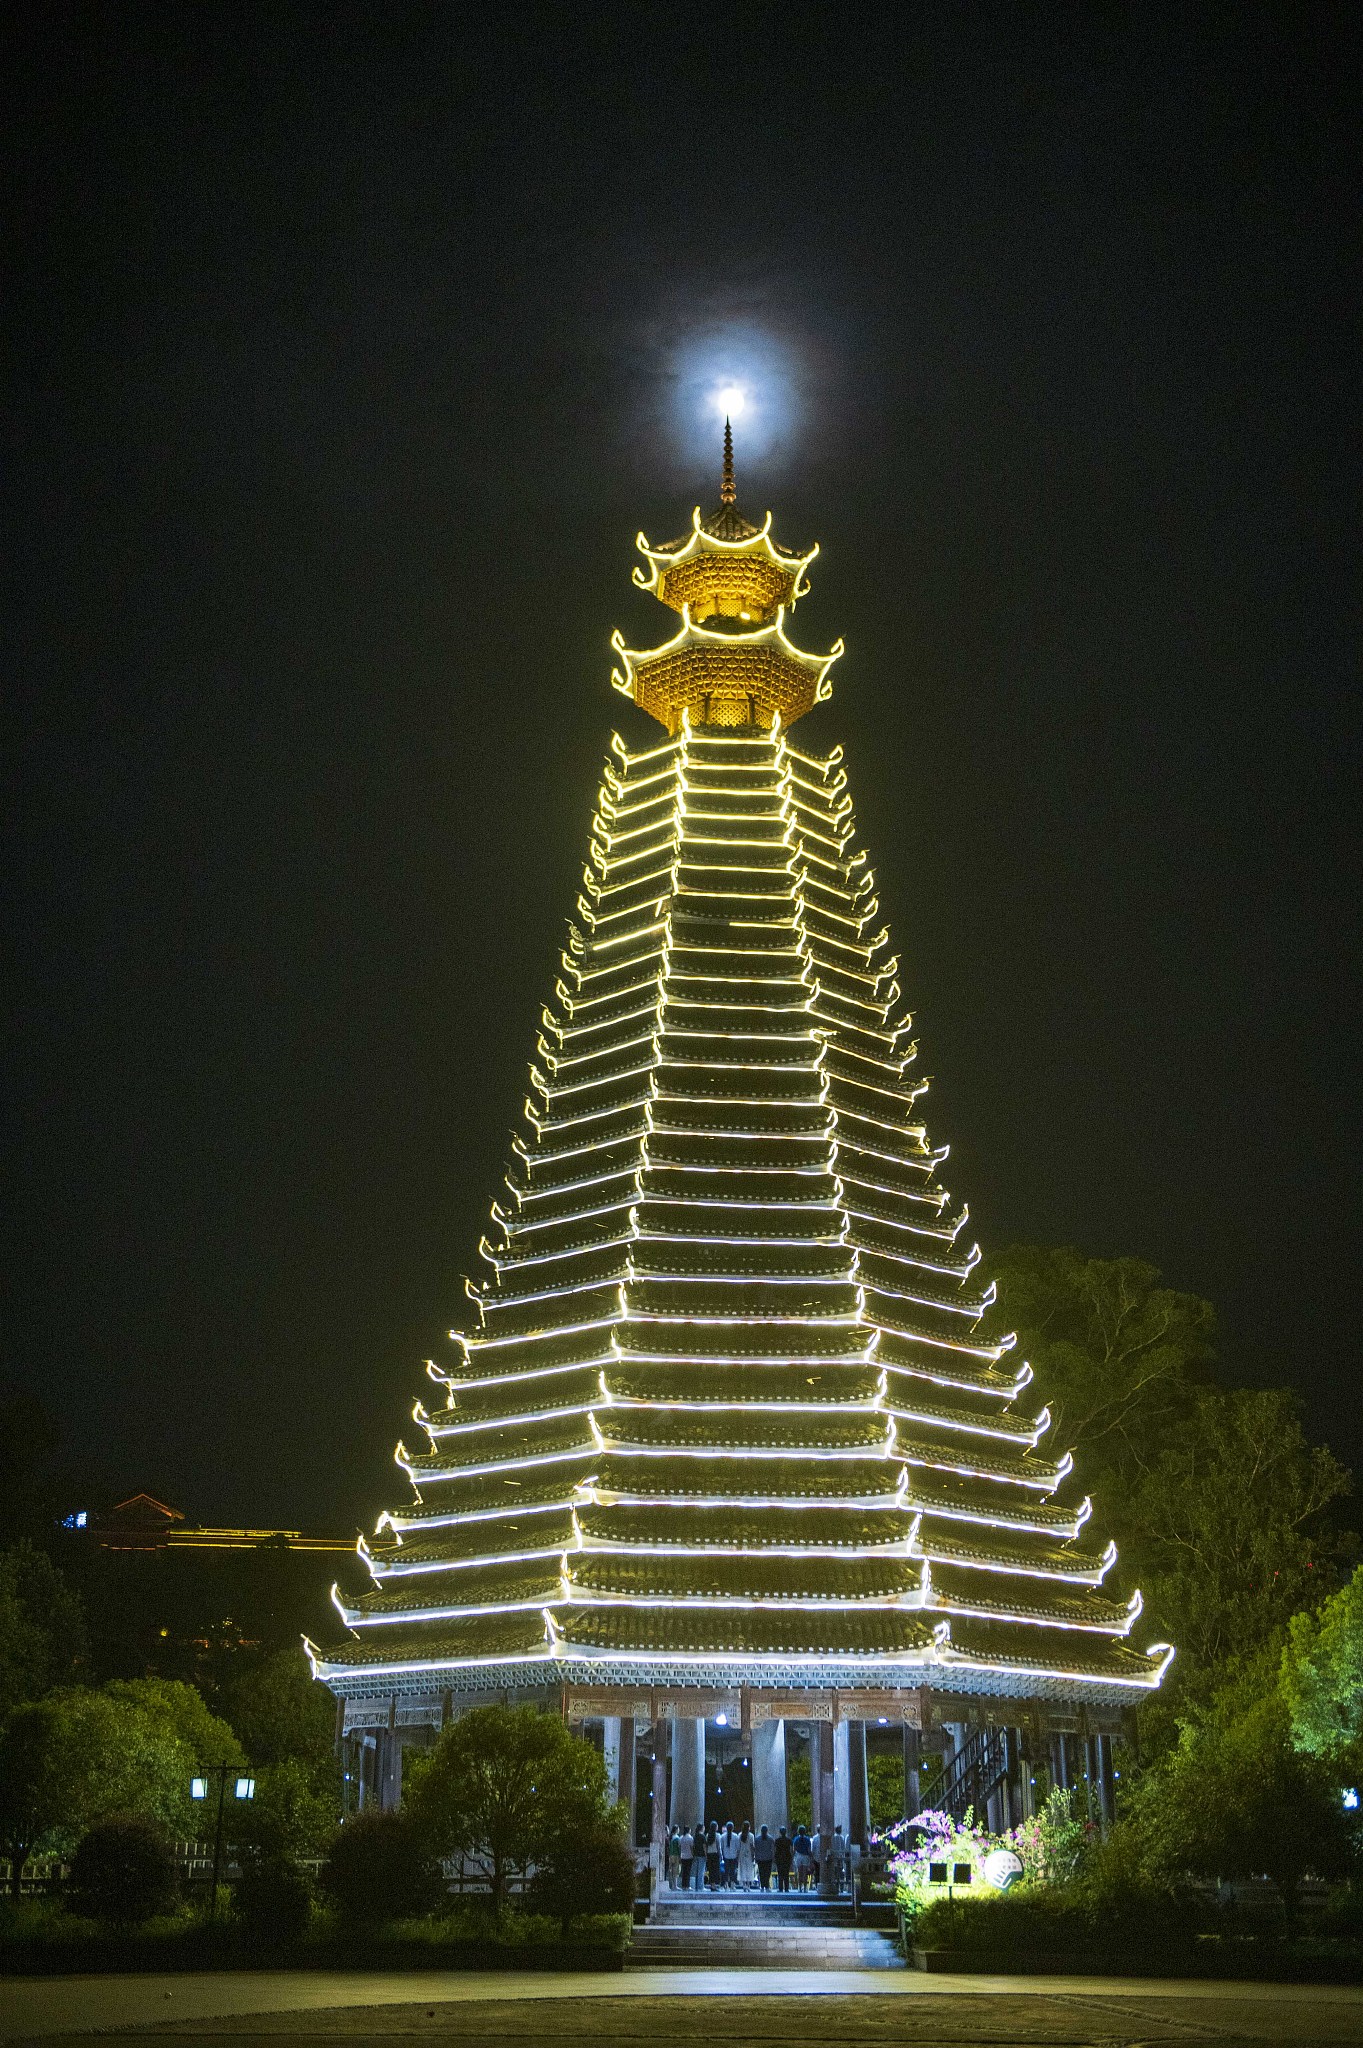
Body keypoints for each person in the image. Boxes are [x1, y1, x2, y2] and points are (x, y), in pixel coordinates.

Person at [792, 1825, 812, 1891]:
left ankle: (799, 1887)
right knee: (805, 1872)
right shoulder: (807, 1839)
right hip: (805, 1856)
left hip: (798, 1856)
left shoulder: (796, 1839)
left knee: (799, 1872)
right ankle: (805, 1887)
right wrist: (810, 1857)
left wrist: (793, 1857)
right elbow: (809, 1850)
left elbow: (794, 1849)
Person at [736, 1821, 756, 1889]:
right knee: (749, 1869)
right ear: (749, 1827)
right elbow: (752, 1846)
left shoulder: (739, 1835)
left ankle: (744, 1884)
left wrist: (737, 1855)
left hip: (741, 1854)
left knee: (742, 1869)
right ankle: (748, 1885)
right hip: (749, 1854)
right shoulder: (751, 1835)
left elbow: (738, 1847)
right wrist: (753, 1855)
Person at [754, 1824, 775, 1890]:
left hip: (760, 1858)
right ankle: (767, 1885)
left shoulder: (757, 1839)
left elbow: (756, 1849)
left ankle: (762, 1886)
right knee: (767, 1873)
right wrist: (773, 1856)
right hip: (768, 1858)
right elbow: (773, 1848)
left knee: (761, 1872)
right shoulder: (770, 1838)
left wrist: (756, 1857)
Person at [773, 1827, 793, 1893]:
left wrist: (775, 1858)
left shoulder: (777, 1840)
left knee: (780, 1874)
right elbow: (791, 1850)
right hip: (787, 1858)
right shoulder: (789, 1840)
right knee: (786, 1874)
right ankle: (786, 1888)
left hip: (779, 1858)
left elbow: (775, 1850)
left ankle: (780, 1888)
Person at [720, 1819, 739, 1887]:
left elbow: (721, 1847)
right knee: (733, 1870)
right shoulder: (736, 1836)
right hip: (733, 1855)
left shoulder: (722, 1836)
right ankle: (732, 1884)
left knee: (726, 1870)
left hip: (726, 1855)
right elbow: (737, 1847)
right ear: (733, 1828)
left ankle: (726, 1884)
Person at [830, 1822, 848, 1895]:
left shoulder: (833, 1837)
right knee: (840, 1872)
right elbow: (843, 1848)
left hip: (834, 1856)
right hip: (840, 1857)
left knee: (835, 1872)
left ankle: (835, 1887)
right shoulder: (841, 1837)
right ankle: (841, 1887)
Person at [678, 1825, 694, 1893]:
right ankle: (687, 1886)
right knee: (688, 1872)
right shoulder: (690, 1838)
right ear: (689, 1830)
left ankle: (683, 1885)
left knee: (684, 1871)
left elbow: (679, 1847)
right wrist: (693, 1855)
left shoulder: (681, 1837)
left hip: (682, 1856)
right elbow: (691, 1847)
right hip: (689, 1856)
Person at [705, 1821, 721, 1890]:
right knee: (715, 1870)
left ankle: (712, 1884)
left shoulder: (707, 1835)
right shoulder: (717, 1835)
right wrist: (720, 1855)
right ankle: (714, 1886)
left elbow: (706, 1845)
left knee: (710, 1871)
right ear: (715, 1827)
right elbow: (718, 1846)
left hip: (709, 1854)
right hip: (715, 1854)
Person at [692, 1821, 706, 1890]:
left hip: (696, 1855)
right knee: (701, 1872)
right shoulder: (703, 1836)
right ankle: (700, 1886)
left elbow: (693, 1846)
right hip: (702, 1855)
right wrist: (706, 1855)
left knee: (696, 1872)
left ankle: (696, 1886)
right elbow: (704, 1846)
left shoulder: (694, 1836)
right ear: (702, 1828)